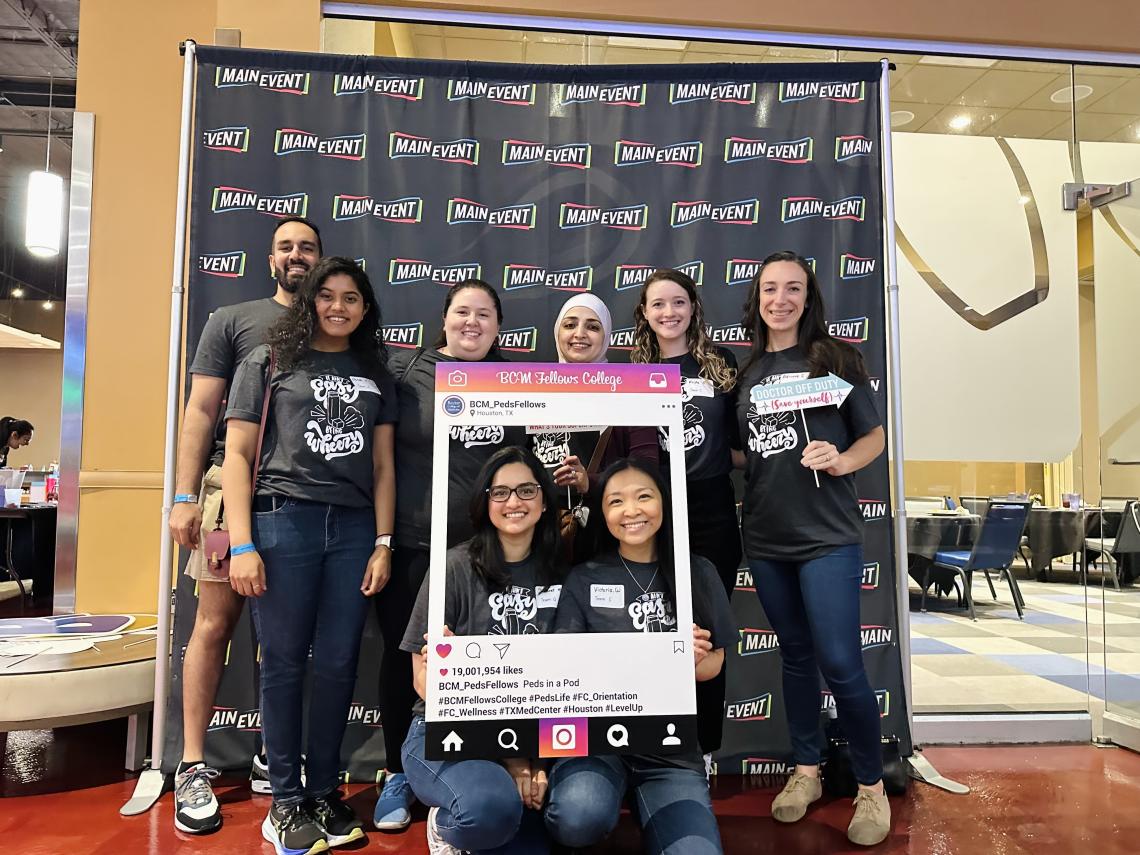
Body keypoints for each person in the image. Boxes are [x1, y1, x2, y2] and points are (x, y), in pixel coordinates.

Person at [223, 257, 397, 855]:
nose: (339, 307)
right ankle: (286, 803)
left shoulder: (375, 369)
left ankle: (325, 791)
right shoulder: (269, 360)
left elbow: (382, 466)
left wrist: (382, 541)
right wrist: (242, 542)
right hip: (282, 522)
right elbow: (239, 457)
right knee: (283, 664)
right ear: (309, 301)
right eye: (327, 296)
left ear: (365, 308)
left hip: (353, 531)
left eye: (352, 297)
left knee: (338, 665)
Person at [168, 216, 321, 834]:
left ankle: (271, 754)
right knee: (214, 621)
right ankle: (192, 765)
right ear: (270, 260)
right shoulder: (230, 320)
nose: (296, 255)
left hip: (305, 503)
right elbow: (201, 409)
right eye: (285, 246)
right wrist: (182, 495)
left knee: (283, 638)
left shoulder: (337, 326)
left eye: (307, 247)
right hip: (223, 496)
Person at [736, 250, 890, 847]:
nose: (781, 299)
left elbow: (872, 433)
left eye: (793, 288)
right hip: (768, 538)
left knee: (841, 662)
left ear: (808, 296)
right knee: (796, 658)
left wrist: (842, 458)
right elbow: (744, 451)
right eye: (771, 288)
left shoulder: (835, 359)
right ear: (757, 298)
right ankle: (806, 772)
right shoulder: (747, 372)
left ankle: (871, 787)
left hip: (828, 536)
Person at [373, 279, 524, 830]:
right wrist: (384, 541)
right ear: (444, 320)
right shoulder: (410, 375)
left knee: (490, 656)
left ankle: (479, 764)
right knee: (403, 658)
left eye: (485, 315)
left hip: (490, 552)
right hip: (416, 544)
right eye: (463, 312)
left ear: (499, 326)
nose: (472, 323)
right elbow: (382, 460)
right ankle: (396, 773)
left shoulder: (514, 380)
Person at [545, 458, 734, 855]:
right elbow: (564, 669)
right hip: (594, 743)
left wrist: (695, 661)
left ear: (664, 503)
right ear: (603, 512)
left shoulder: (696, 572)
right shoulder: (584, 577)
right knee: (578, 816)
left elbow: (715, 664)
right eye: (616, 501)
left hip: (670, 751)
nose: (631, 511)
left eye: (644, 497)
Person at [401, 446, 564, 854]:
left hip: (535, 737)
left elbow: (571, 684)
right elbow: (422, 679)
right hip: (446, 734)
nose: (514, 502)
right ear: (485, 502)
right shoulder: (453, 569)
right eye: (501, 492)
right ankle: (446, 825)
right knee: (486, 811)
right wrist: (511, 760)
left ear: (544, 501)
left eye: (527, 490)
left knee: (536, 832)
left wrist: (537, 762)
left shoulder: (564, 574)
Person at [630, 268, 742, 762]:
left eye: (678, 302)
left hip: (713, 508)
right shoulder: (630, 369)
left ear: (694, 307)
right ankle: (655, 747)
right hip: (653, 512)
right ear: (645, 314)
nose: (669, 313)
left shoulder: (720, 364)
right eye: (658, 304)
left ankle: (705, 750)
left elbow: (742, 443)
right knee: (653, 629)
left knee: (707, 634)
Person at [536, 294, 658, 562]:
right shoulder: (533, 389)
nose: (579, 334)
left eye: (592, 326)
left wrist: (587, 482)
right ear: (558, 332)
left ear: (607, 336)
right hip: (538, 534)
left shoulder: (630, 392)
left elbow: (646, 469)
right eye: (570, 325)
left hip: (607, 534)